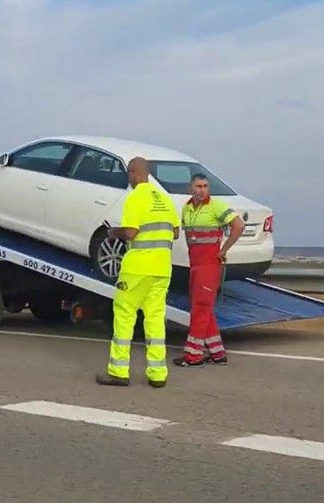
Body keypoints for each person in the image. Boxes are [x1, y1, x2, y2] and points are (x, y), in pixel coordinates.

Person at [96, 157, 179, 388]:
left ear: (134, 173)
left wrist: (114, 232)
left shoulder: (135, 197)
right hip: (162, 269)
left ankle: (118, 371)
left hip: (137, 269)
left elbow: (131, 233)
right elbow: (175, 233)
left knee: (124, 316)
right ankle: (157, 374)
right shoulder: (164, 198)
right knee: (155, 320)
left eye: (128, 174)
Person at [173, 174, 244, 367]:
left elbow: (238, 225)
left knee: (200, 309)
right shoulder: (186, 209)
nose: (202, 190)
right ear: (191, 188)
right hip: (195, 265)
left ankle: (193, 355)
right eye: (198, 186)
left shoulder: (216, 206)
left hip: (209, 266)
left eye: (205, 186)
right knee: (204, 308)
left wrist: (223, 250)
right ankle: (217, 353)